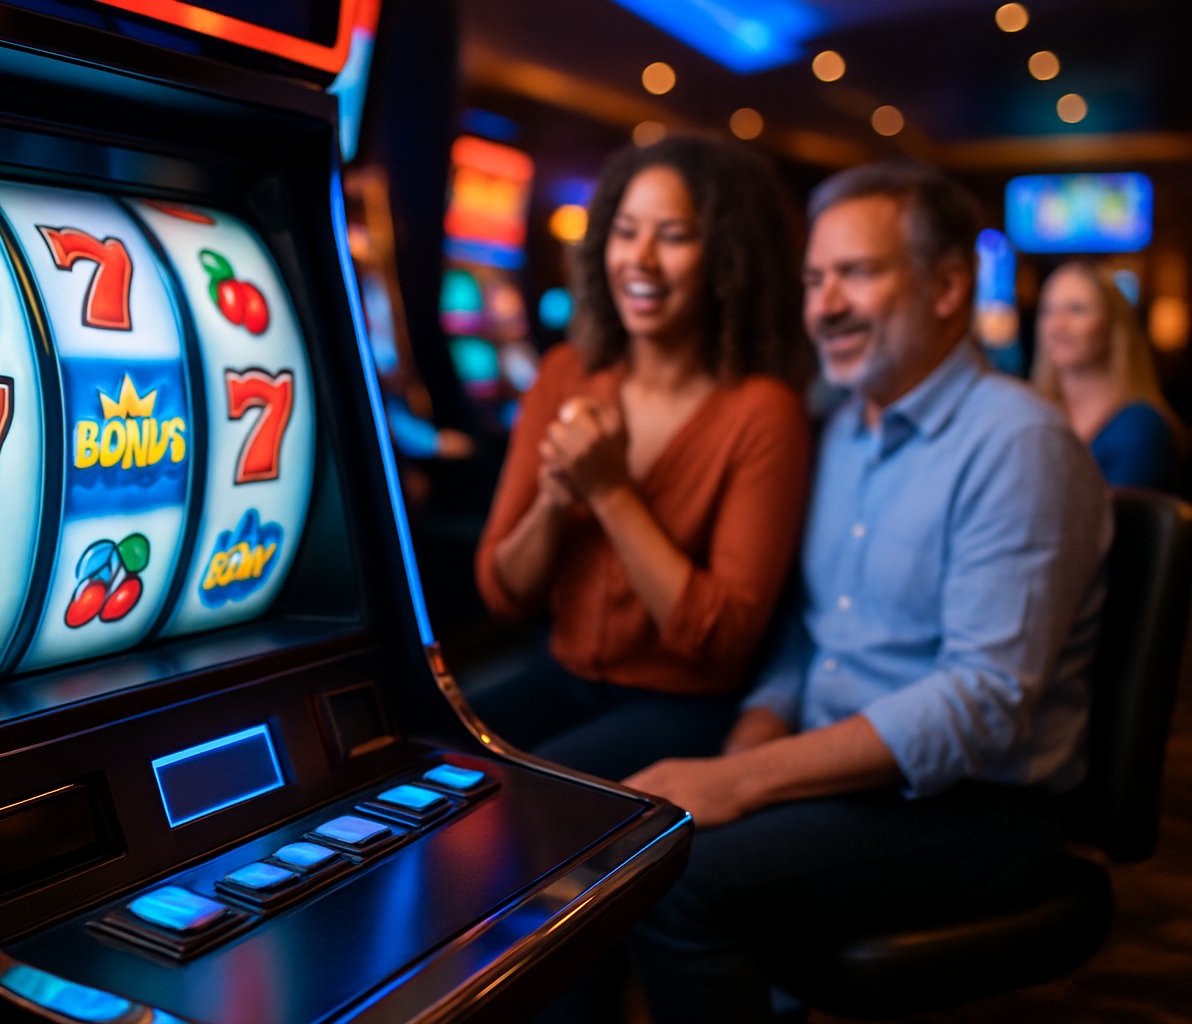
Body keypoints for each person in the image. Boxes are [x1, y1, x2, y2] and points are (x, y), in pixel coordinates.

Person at [621, 161, 1112, 1023]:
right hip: (848, 777)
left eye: (857, 273)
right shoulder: (842, 425)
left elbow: (983, 702)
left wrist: (744, 784)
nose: (825, 306)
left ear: (949, 285)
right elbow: (814, 633)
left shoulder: (1018, 443)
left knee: (673, 883)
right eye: (815, 279)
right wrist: (750, 738)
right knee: (625, 831)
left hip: (978, 810)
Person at [468, 133, 813, 782]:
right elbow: (502, 591)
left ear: (727, 257)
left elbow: (719, 643)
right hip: (558, 671)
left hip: (683, 706)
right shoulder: (566, 372)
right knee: (424, 760)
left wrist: (611, 492)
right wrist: (554, 498)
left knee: (515, 801)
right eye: (626, 232)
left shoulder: (763, 411)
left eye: (675, 236)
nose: (641, 260)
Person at [1032, 259, 1185, 491]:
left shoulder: (1140, 427)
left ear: (1113, 325)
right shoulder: (1031, 412)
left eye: (1077, 309)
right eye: (1048, 310)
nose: (1057, 325)